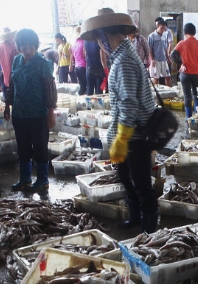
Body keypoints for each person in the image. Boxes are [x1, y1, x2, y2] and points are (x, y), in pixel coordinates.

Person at [81, 8, 159, 233]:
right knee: (126, 179)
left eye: (98, 39)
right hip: (127, 135)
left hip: (135, 136)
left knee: (141, 184)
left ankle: (149, 232)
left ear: (106, 35)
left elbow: (128, 104)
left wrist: (122, 139)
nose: (98, 44)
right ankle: (136, 219)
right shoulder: (122, 56)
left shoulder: (124, 60)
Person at [5, 29, 57, 193]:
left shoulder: (43, 63)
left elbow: (50, 88)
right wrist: (8, 105)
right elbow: (12, 85)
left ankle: (42, 180)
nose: (27, 51)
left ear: (36, 47)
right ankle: (25, 179)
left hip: (38, 114)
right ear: (19, 47)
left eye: (31, 47)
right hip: (19, 113)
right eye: (24, 47)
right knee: (23, 147)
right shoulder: (16, 61)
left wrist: (50, 112)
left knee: (40, 147)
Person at [170, 23, 198, 119]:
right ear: (194, 32)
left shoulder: (181, 43)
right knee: (196, 95)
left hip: (185, 74)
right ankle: (197, 117)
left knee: (187, 96)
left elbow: (172, 56)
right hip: (196, 74)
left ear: (185, 32)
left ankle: (188, 118)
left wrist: (181, 63)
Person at [0, 28, 17, 98]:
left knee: (8, 96)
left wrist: (1, 66)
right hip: (15, 76)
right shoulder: (14, 46)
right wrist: (1, 66)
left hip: (5, 75)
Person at [147, 19, 172, 86]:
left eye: (164, 28)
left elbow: (165, 48)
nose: (163, 30)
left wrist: (168, 58)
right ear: (158, 26)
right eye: (162, 28)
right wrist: (152, 60)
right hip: (156, 60)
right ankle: (156, 94)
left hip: (164, 60)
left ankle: (170, 92)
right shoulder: (151, 36)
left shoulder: (165, 35)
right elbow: (150, 49)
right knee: (156, 78)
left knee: (168, 77)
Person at [71, 27, 87, 94]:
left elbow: (72, 57)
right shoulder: (84, 43)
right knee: (87, 85)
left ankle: (80, 96)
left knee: (82, 85)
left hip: (77, 67)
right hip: (84, 66)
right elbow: (84, 55)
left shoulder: (74, 44)